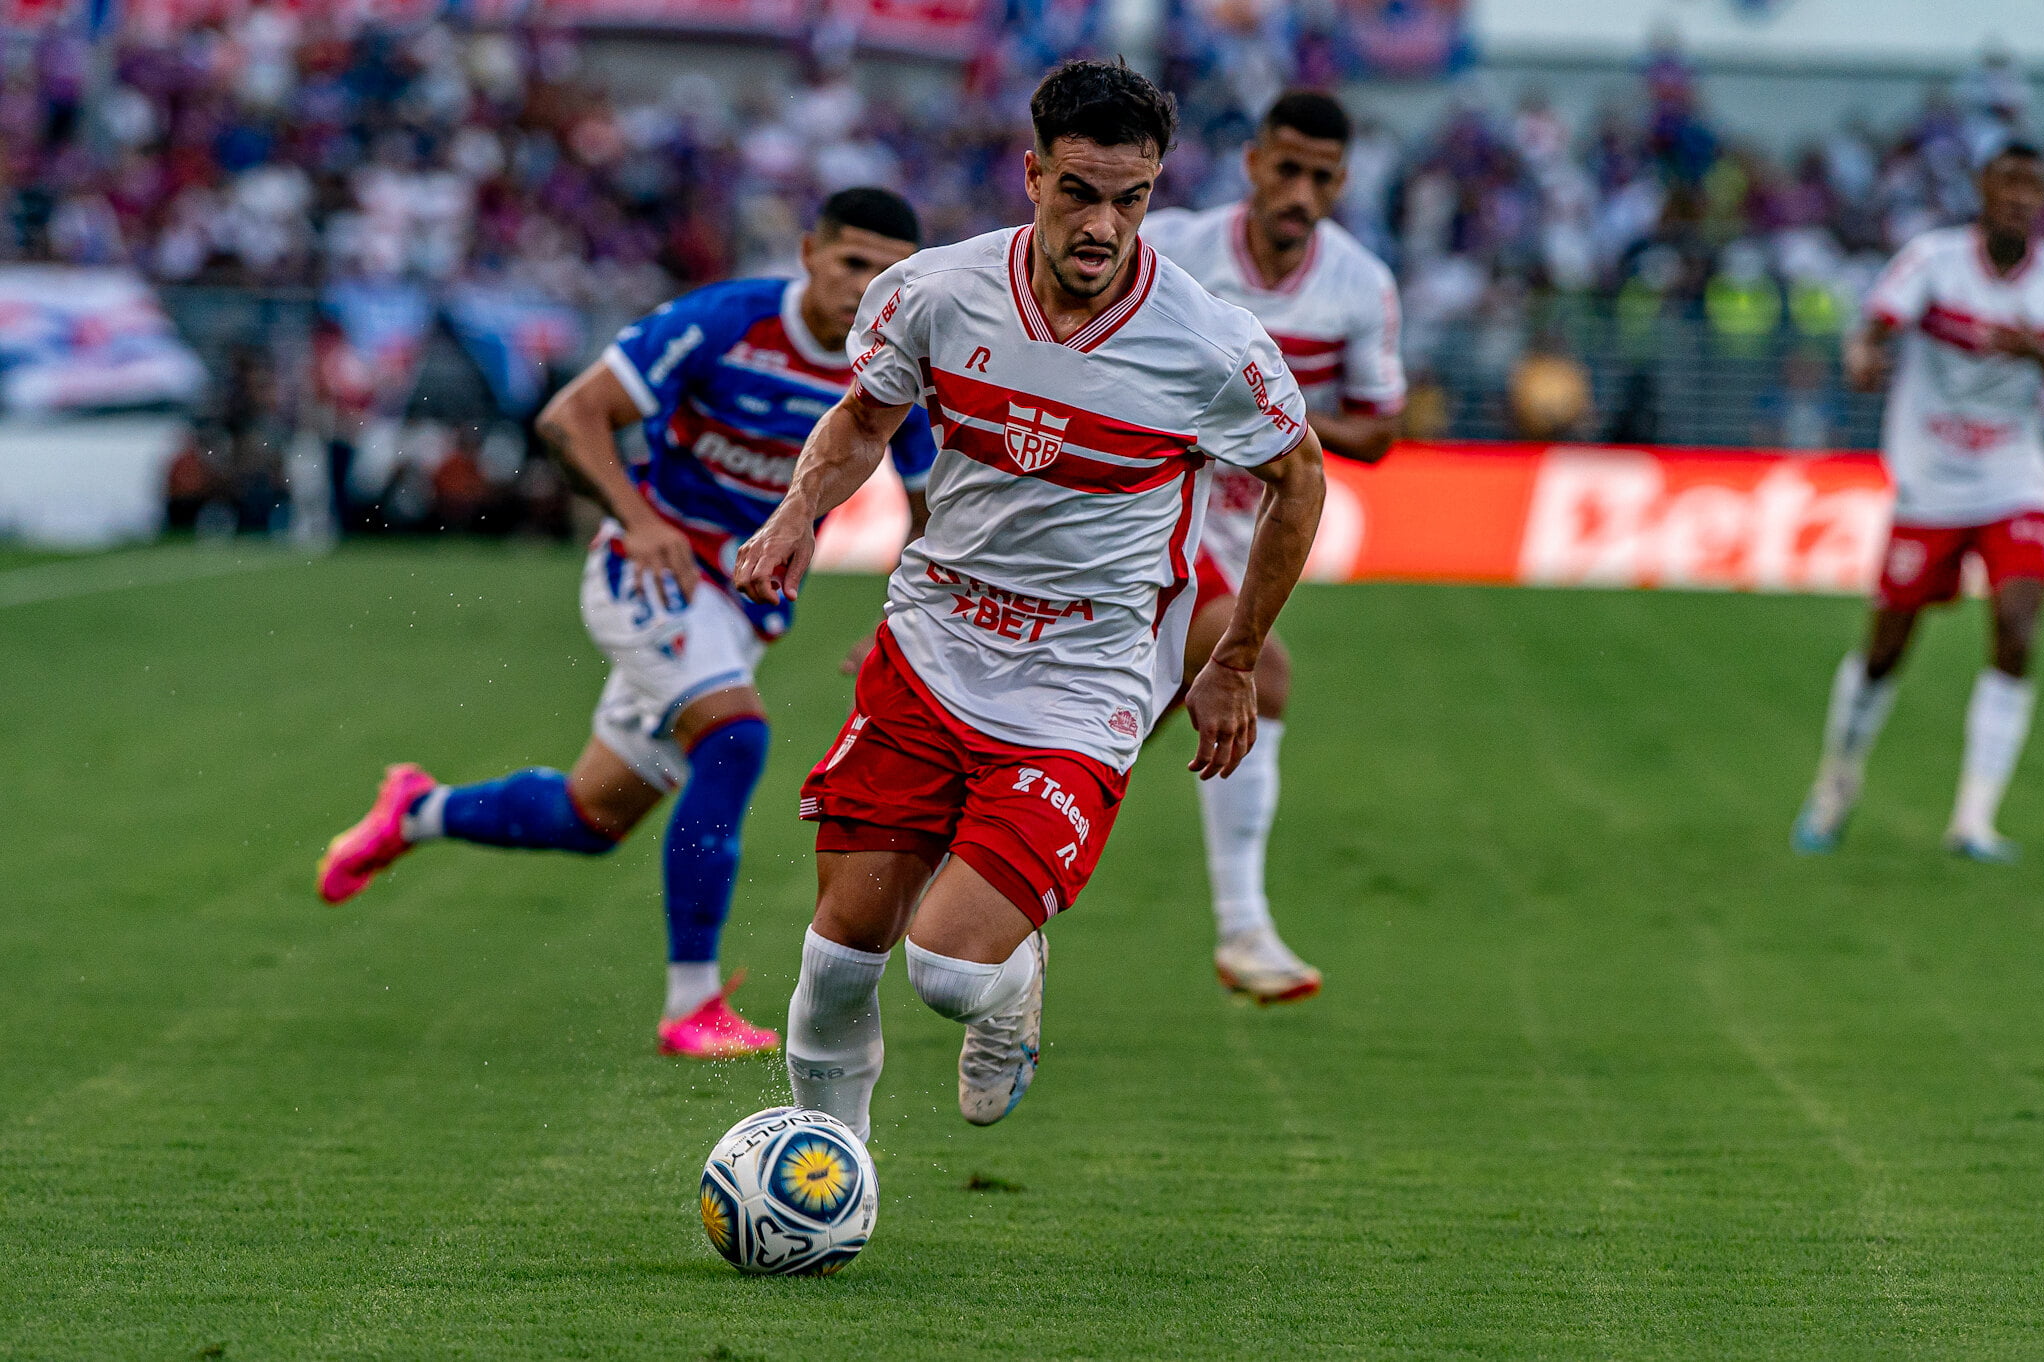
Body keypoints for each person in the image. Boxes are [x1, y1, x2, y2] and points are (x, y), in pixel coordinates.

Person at [732, 59, 1327, 1141]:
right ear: (1031, 175)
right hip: (927, 650)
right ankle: (833, 1183)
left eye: (1130, 198)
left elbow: (1300, 476)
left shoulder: (1207, 343)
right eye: (1078, 192)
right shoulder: (936, 290)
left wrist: (1233, 656)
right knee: (831, 966)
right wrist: (791, 515)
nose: (1102, 224)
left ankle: (1010, 987)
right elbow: (865, 419)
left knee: (948, 975)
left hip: (1078, 684)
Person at [316, 189, 938, 1055]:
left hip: (740, 611)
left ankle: (416, 810)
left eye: (890, 273)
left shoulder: (891, 362)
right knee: (735, 737)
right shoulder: (724, 321)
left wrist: (911, 622)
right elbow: (571, 417)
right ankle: (692, 1005)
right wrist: (640, 521)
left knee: (592, 816)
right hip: (650, 569)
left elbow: (928, 504)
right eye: (852, 265)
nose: (868, 287)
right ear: (807, 254)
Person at [1141, 90, 1404, 1004]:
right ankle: (1242, 928)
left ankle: (1010, 855)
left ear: (1342, 183)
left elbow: (1377, 431)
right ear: (1252, 162)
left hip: (1240, 516)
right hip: (1151, 500)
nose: (1299, 190)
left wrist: (1265, 419)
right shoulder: (1173, 247)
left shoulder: (1359, 283)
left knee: (1127, 718)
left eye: (1321, 177)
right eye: (1285, 167)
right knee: (1250, 668)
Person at [1793, 143, 2044, 862]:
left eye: (2034, 188)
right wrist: (1864, 358)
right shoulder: (1933, 261)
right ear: (1983, 191)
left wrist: (2038, 354)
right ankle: (1836, 780)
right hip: (1931, 480)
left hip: (2014, 476)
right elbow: (1875, 328)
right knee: (1886, 649)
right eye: (2009, 185)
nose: (2022, 199)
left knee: (2018, 626)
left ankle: (1973, 819)